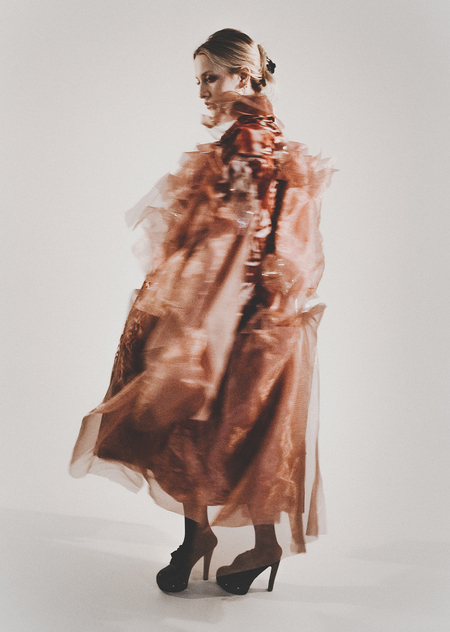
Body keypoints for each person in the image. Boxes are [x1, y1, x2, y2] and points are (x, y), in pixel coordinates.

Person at [70, 28, 333, 595]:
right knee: (241, 428)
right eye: (199, 80)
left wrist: (195, 310)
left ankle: (201, 539)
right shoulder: (267, 135)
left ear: (244, 75)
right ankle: (250, 543)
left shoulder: (247, 141)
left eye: (211, 78)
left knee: (192, 414)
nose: (203, 91)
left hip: (235, 307)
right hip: (259, 309)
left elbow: (234, 235)